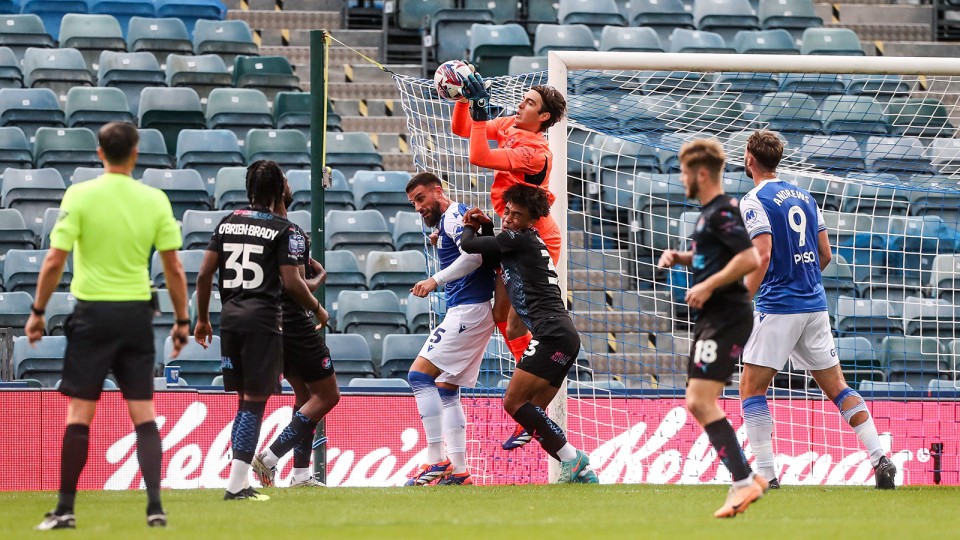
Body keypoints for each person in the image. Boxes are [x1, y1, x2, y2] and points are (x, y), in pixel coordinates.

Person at [27, 122, 189, 530]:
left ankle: (65, 509)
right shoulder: (154, 200)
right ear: (135, 153)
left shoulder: (79, 195)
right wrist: (183, 320)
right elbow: (173, 267)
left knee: (80, 415)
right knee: (144, 415)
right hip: (136, 315)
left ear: (100, 152)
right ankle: (155, 508)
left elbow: (54, 260)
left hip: (93, 315)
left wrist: (38, 311)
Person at [738, 130, 897, 490]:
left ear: (750, 158)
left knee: (751, 389)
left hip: (779, 306)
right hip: (814, 305)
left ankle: (766, 473)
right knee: (838, 387)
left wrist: (741, 299)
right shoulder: (805, 195)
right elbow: (825, 255)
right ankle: (880, 457)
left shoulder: (753, 200)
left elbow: (762, 257)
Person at [194, 160, 329, 501]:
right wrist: (317, 305)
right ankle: (242, 481)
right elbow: (291, 283)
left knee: (246, 404)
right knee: (258, 404)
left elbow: (203, 275)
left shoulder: (228, 222)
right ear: (277, 189)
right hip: (265, 320)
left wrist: (201, 319)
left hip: (229, 319)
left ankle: (260, 478)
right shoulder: (282, 230)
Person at [454, 67, 568, 450]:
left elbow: (479, 156)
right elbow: (464, 131)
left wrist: (482, 112)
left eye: (530, 103)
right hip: (510, 234)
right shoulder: (513, 125)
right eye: (523, 100)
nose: (521, 105)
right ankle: (532, 407)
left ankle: (532, 403)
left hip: (535, 237)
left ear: (545, 118)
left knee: (523, 322)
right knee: (505, 319)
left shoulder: (535, 152)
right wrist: (463, 101)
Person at [460, 183, 597, 484]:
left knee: (513, 403)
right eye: (507, 212)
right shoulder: (522, 243)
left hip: (550, 333)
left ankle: (574, 459)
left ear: (532, 221)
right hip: (563, 335)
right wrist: (487, 227)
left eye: (516, 215)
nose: (508, 219)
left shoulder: (518, 240)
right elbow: (494, 254)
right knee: (531, 410)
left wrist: (468, 227)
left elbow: (470, 247)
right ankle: (579, 470)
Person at [657, 139, 766, 518]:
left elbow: (750, 257)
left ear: (701, 173)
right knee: (697, 400)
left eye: (685, 171)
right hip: (714, 317)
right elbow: (713, 256)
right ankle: (745, 481)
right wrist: (683, 258)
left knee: (700, 401)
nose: (682, 178)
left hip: (726, 315)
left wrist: (707, 284)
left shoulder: (723, 210)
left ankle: (744, 482)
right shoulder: (708, 214)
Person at [401, 172, 496, 486]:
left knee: (418, 376)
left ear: (437, 192)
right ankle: (458, 470)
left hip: (468, 308)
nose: (418, 208)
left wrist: (435, 279)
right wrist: (440, 239)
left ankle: (435, 459)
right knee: (446, 389)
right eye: (414, 203)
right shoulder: (450, 221)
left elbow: (474, 258)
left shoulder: (455, 217)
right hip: (474, 310)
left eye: (421, 199)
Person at [251, 178, 340, 489]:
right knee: (329, 395)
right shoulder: (292, 233)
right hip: (293, 321)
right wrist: (319, 296)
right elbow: (296, 285)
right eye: (285, 181)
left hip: (268, 325)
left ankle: (301, 474)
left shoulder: (256, 231)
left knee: (305, 396)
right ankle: (271, 457)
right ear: (279, 192)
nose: (290, 184)